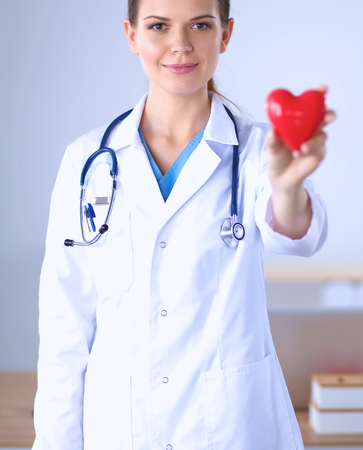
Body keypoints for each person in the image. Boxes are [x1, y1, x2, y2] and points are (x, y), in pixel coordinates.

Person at [32, 0, 335, 449]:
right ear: (132, 35)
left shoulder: (257, 152)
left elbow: (293, 234)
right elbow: (65, 326)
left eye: (199, 24)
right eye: (158, 26)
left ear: (225, 34)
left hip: (231, 429)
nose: (180, 45)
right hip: (120, 427)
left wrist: (289, 187)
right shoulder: (87, 161)